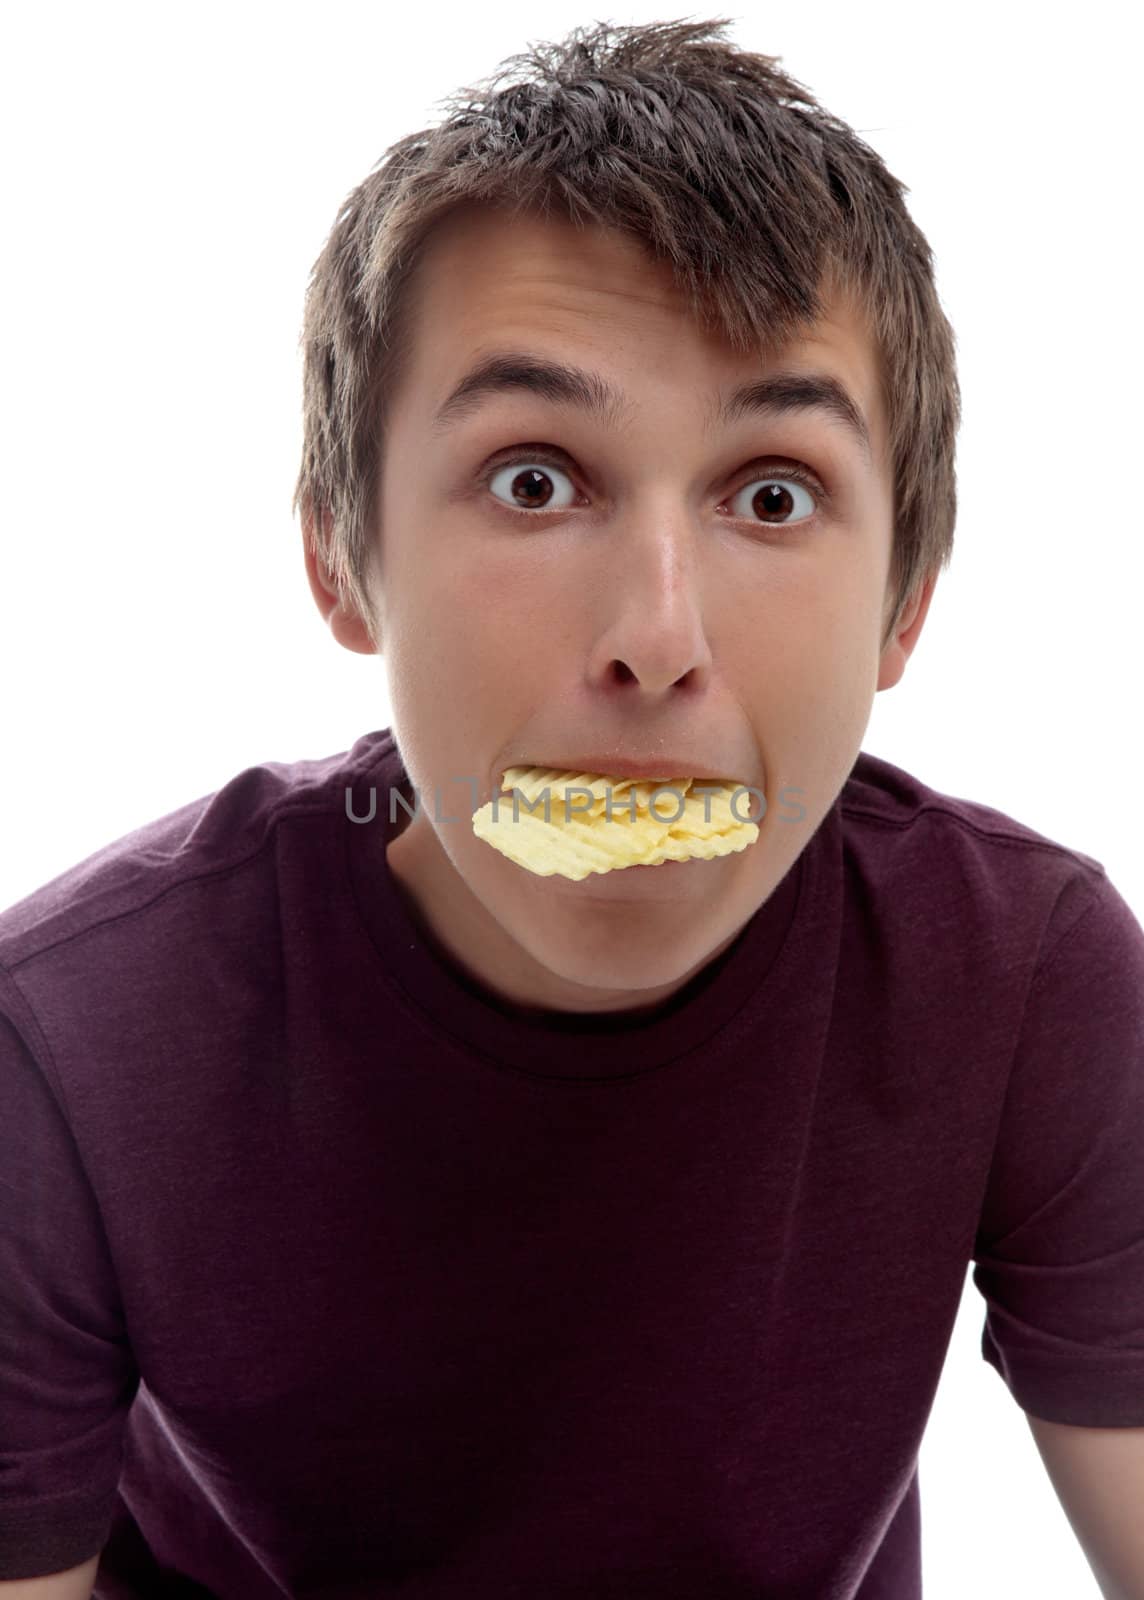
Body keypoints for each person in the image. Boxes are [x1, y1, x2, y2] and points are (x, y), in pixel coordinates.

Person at [2, 16, 1142, 1600]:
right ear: (342, 556)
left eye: (771, 493)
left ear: (904, 611)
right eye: (537, 479)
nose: (657, 640)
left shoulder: (1024, 976)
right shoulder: (68, 1037)